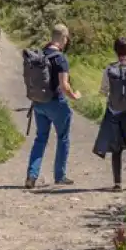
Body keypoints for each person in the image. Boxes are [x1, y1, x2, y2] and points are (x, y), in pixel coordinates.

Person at [25, 23, 81, 189]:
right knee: (63, 137)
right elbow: (64, 86)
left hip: (38, 103)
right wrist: (75, 96)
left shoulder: (41, 54)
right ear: (63, 38)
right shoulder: (60, 58)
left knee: (40, 138)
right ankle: (60, 175)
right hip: (56, 103)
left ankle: (31, 175)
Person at [93, 37, 126, 191]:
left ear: (115, 51)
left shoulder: (109, 69)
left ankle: (117, 183)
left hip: (114, 113)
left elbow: (103, 91)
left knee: (116, 149)